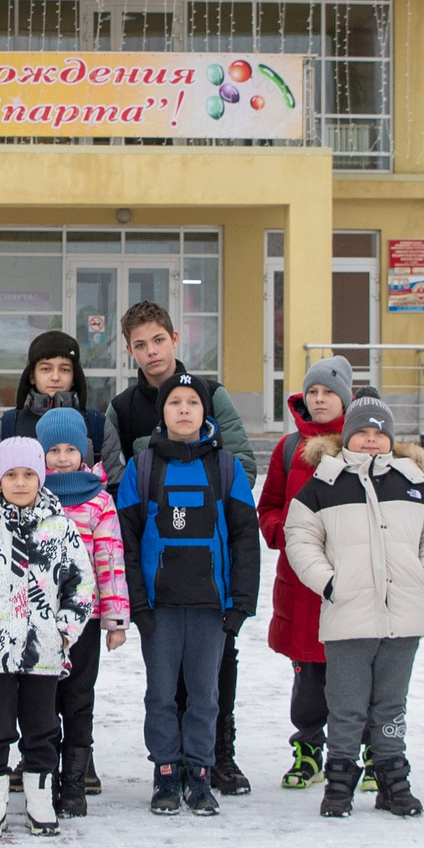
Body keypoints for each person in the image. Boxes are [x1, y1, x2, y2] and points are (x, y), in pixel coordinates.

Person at [109, 301, 258, 796]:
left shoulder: (212, 394)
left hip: (210, 567)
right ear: (130, 351)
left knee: (215, 675)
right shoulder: (123, 407)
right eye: (139, 345)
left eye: (158, 340)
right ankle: (169, 765)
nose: (151, 352)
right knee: (163, 681)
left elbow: (242, 462)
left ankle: (218, 757)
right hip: (161, 570)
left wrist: (214, 502)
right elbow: (118, 481)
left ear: (175, 338)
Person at [283, 396, 424, 819]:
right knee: (346, 704)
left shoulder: (413, 482)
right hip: (349, 616)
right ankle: (339, 781)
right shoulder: (325, 483)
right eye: (362, 433)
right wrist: (330, 583)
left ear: (391, 440)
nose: (372, 440)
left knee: (391, 705)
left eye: (380, 434)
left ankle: (393, 779)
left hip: (404, 614)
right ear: (348, 438)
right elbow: (300, 537)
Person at [0, 437, 97, 839]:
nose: (19, 483)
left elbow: (81, 584)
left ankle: (39, 797)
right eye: (11, 475)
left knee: (42, 727)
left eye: (28, 474)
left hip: (44, 653)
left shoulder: (60, 526)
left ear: (40, 477)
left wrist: (64, 629)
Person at [259, 355, 353, 790]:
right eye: (312, 392)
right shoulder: (287, 448)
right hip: (299, 582)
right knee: (309, 677)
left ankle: (358, 755)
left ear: (345, 399)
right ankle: (308, 750)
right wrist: (283, 533)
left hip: (352, 582)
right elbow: (270, 505)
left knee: (356, 673)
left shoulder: (362, 444)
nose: (318, 400)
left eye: (328, 393)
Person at [37, 406, 128, 818]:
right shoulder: (30, 496)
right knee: (41, 699)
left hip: (85, 623)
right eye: (52, 449)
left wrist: (115, 619)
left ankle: (73, 782)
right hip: (36, 622)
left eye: (69, 449)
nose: (60, 457)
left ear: (84, 452)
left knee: (77, 698)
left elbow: (110, 560)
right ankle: (43, 775)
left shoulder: (99, 501)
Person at [0, 329, 125, 483]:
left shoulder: (98, 426)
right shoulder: (9, 426)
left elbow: (115, 487)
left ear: (75, 376)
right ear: (31, 376)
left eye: (64, 369)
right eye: (46, 369)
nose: (55, 377)